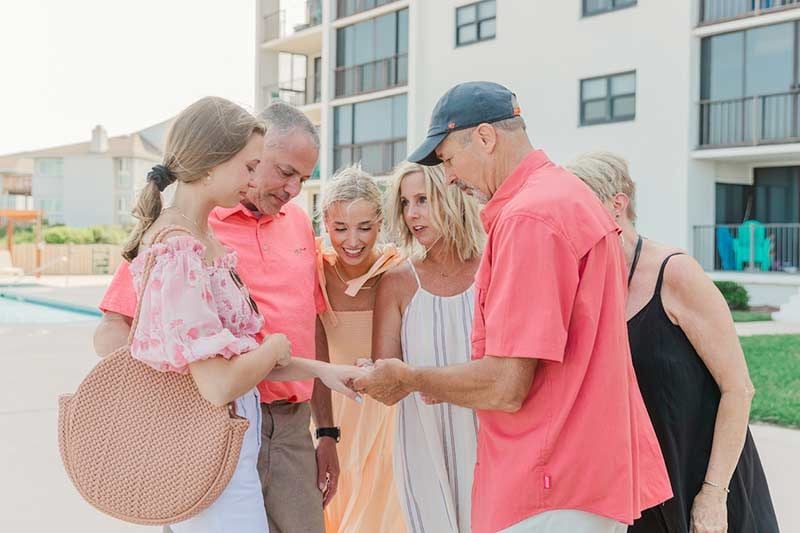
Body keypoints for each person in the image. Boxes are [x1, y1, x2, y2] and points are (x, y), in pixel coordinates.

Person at [353, 81, 672, 533]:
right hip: (581, 476)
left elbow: (506, 385)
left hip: (549, 484)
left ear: (485, 138)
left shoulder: (529, 217)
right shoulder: (564, 195)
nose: (449, 177)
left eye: (447, 159)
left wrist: (411, 378)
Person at [94, 101, 357, 533]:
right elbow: (119, 330)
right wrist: (173, 379)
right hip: (209, 431)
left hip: (286, 425)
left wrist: (326, 424)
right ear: (227, 160)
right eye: (279, 171)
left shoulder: (280, 229)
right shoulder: (180, 242)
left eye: (304, 179)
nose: (292, 189)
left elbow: (303, 328)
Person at [568, 151, 779, 533]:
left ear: (617, 204)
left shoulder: (675, 272)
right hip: (637, 486)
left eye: (577, 207)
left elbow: (738, 389)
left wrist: (713, 495)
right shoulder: (584, 281)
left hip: (701, 475)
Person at [371, 161, 483, 533]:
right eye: (405, 203)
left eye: (422, 200)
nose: (412, 214)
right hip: (422, 439)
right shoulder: (398, 282)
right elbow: (386, 382)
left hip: (491, 437)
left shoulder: (492, 270)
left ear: (453, 196)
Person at [313, 164, 407, 533]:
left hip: (386, 419)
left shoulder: (398, 271)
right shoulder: (314, 271)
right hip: (329, 414)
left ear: (381, 222)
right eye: (340, 229)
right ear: (325, 221)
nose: (353, 240)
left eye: (365, 228)